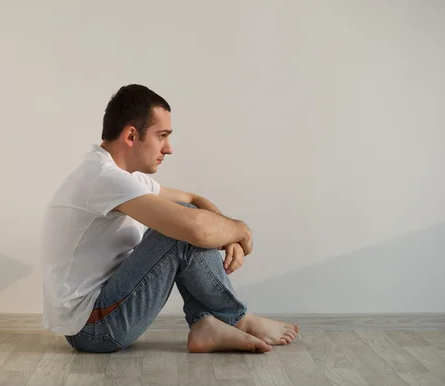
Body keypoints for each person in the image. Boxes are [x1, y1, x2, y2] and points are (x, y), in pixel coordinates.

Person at [41, 84, 299, 353]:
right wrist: (240, 231)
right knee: (184, 227)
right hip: (94, 329)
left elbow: (192, 199)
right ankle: (238, 320)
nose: (169, 148)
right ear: (131, 135)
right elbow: (195, 227)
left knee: (187, 220)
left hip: (98, 318)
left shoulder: (123, 177)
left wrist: (228, 232)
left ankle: (204, 324)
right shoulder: (103, 178)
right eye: (161, 136)